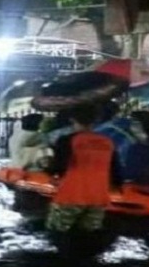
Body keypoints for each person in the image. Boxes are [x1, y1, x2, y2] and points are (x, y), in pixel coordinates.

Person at [46, 103, 122, 257]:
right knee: (88, 236)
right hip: (98, 197)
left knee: (58, 233)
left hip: (71, 195)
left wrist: (49, 170)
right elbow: (116, 172)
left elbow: (57, 168)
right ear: (95, 121)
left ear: (72, 119)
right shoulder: (107, 142)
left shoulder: (67, 140)